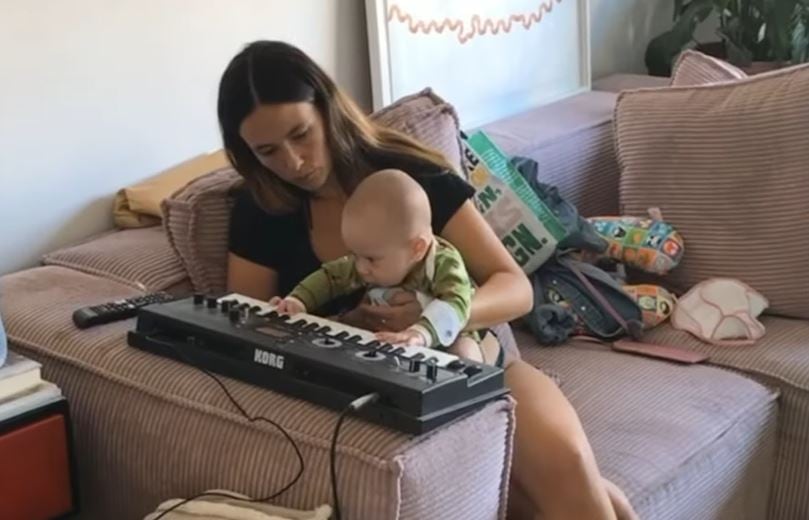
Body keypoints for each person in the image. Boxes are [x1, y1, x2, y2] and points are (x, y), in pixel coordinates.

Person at [218, 40, 638, 520]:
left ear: (328, 109)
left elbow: (514, 288)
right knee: (550, 502)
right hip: (373, 393)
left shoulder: (410, 179)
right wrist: (344, 320)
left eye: (301, 134)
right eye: (267, 151)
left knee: (570, 464)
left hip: (475, 362)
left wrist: (437, 317)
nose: (292, 162)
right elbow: (248, 332)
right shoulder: (260, 210)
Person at [272, 168, 483, 362]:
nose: (361, 267)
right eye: (355, 255)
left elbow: (456, 301)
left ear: (417, 249)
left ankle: (485, 399)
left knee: (464, 353)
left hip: (446, 333)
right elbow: (329, 277)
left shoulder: (443, 263)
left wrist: (420, 333)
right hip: (387, 337)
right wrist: (298, 300)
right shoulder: (367, 259)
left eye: (371, 259)